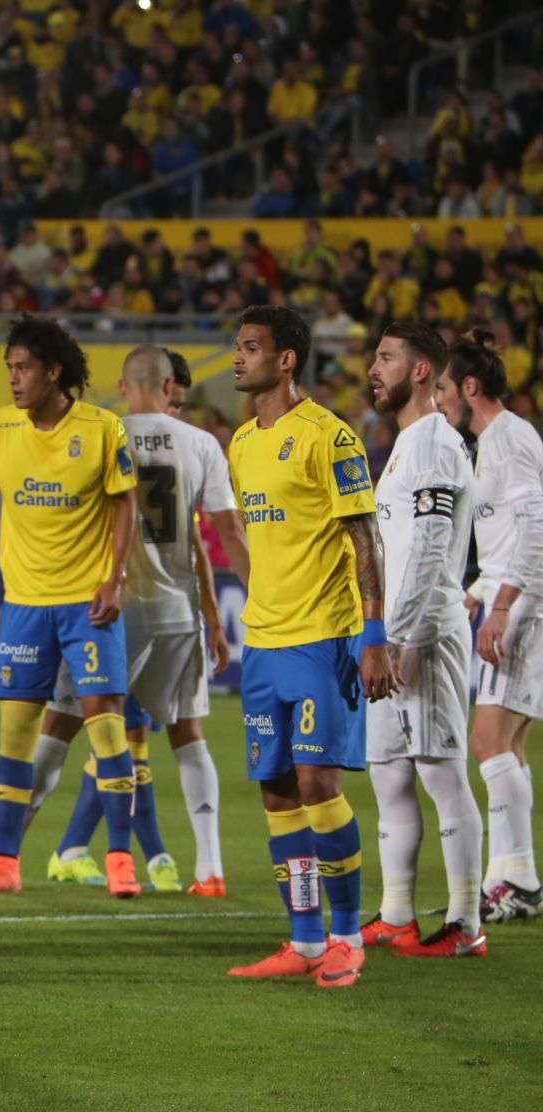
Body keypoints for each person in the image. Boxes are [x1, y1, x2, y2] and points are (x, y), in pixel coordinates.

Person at [26, 347, 250, 895]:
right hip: (178, 613)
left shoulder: (102, 433)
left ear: (123, 388)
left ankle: (1, 853)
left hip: (108, 610)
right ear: (171, 384)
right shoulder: (203, 444)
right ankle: (211, 869)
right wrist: (226, 612)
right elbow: (222, 532)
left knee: (60, 723)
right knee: (189, 736)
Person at [0, 317, 141, 897]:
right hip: (24, 605)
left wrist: (115, 578)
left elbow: (126, 507)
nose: (14, 380)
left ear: (54, 371)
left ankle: (121, 861)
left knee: (107, 727)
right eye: (9, 369)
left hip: (86, 603)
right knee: (16, 739)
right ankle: (6, 865)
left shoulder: (103, 429)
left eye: (23, 368)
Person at [224, 304, 394, 988]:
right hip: (264, 643)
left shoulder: (332, 437)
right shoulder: (241, 443)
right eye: (236, 347)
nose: (237, 358)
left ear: (286, 358)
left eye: (250, 347)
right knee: (275, 792)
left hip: (325, 637)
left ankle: (348, 936)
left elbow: (365, 540)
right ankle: (303, 937)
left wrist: (374, 635)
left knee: (319, 783)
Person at [357, 321, 484, 957]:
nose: (372, 369)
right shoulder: (408, 443)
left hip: (424, 635)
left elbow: (433, 551)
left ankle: (465, 924)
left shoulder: (434, 442)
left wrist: (397, 636)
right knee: (388, 776)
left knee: (441, 775)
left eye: (386, 358)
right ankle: (396, 914)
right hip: (394, 636)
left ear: (422, 371)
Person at [436, 332, 543, 923]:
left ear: (469, 388)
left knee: (487, 742)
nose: (441, 400)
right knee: (509, 747)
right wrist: (476, 594)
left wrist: (501, 607)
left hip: (527, 605)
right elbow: (505, 543)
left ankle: (518, 877)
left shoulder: (510, 438)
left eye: (446, 389)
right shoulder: (495, 442)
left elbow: (535, 529)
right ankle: (512, 875)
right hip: (513, 597)